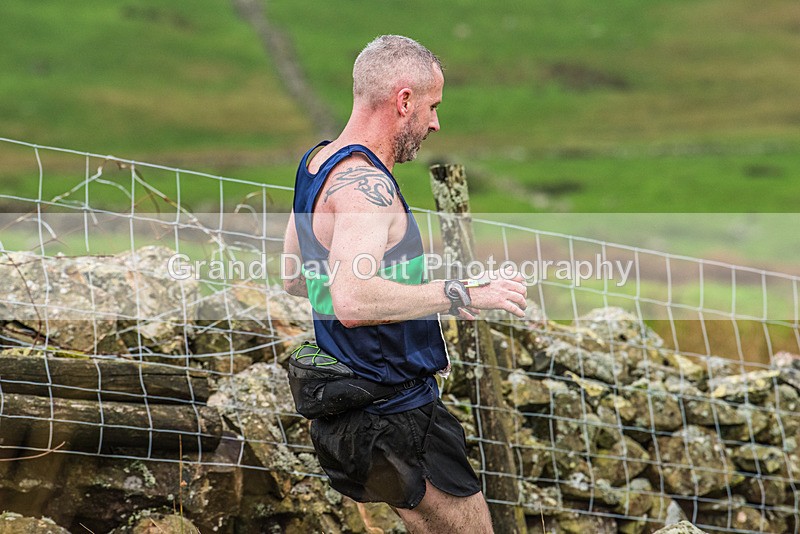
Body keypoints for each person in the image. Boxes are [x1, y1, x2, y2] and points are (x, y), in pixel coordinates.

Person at [282, 35, 527, 533]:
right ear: (404, 100)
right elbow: (352, 300)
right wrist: (460, 293)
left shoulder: (317, 163)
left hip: (351, 415)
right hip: (395, 415)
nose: (436, 123)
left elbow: (294, 277)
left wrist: (399, 306)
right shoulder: (366, 189)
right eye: (433, 106)